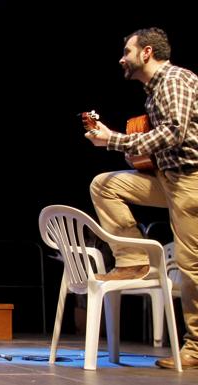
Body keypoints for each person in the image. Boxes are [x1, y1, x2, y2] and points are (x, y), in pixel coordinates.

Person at [85, 27, 198, 369]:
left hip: (190, 180)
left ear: (146, 53)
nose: (122, 58)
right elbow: (160, 142)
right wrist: (134, 155)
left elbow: (175, 131)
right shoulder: (153, 91)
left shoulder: (173, 79)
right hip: (166, 179)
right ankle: (135, 260)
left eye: (127, 51)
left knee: (192, 264)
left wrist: (116, 140)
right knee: (105, 185)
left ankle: (196, 344)